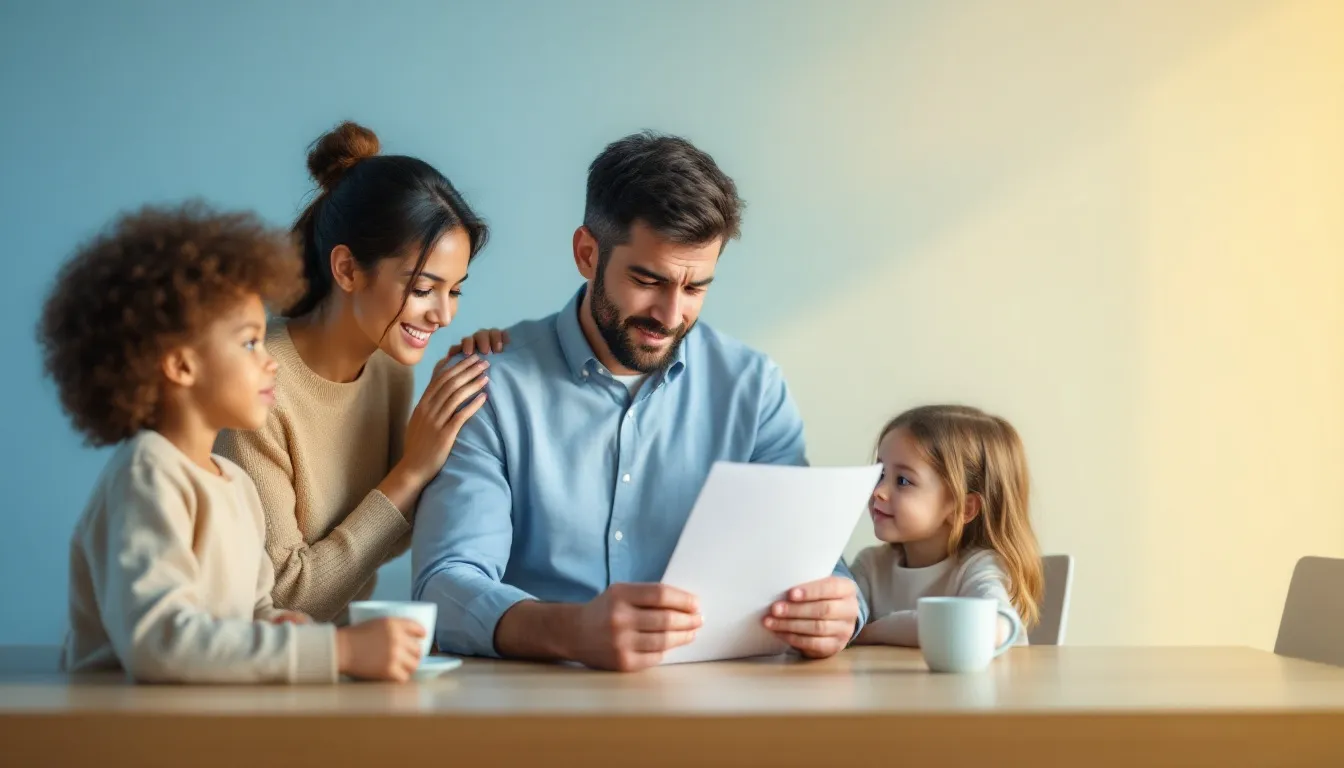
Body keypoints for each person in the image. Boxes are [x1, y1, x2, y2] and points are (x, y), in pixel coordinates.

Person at [413, 132, 866, 671]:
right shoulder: (490, 388)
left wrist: (841, 606)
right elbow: (443, 587)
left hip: (721, 711)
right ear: (587, 254)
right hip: (539, 711)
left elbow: (813, 562)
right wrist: (569, 631)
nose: (671, 315)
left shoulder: (753, 388)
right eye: (648, 280)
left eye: (695, 288)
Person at [42, 202, 426, 682]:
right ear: (181, 365)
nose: (270, 361)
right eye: (249, 343)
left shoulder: (236, 484)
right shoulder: (148, 474)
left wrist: (283, 625)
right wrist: (335, 651)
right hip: (128, 739)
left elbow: (252, 610)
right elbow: (160, 643)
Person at [216, 122, 491, 623]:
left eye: (454, 291)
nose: (444, 315)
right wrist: (411, 471)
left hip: (330, 666)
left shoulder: (387, 369)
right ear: (346, 269)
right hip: (243, 675)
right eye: (424, 288)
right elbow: (283, 599)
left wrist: (471, 379)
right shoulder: (256, 389)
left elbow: (382, 535)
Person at [851, 405, 1044, 648]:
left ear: (963, 508)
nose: (878, 492)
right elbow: (838, 623)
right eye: (880, 474)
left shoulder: (979, 568)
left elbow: (988, 627)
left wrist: (871, 632)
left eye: (902, 480)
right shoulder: (871, 566)